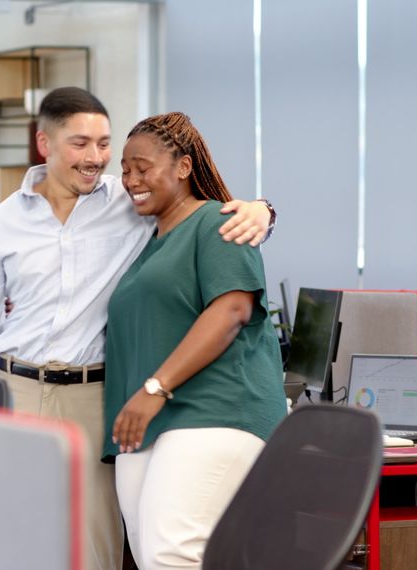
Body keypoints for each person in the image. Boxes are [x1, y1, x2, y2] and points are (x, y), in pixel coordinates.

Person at [0, 87, 274, 570]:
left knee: (99, 549)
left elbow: (209, 216)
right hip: (17, 388)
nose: (96, 158)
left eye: (103, 144)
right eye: (80, 143)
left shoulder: (132, 200)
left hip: (94, 395)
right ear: (45, 144)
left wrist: (261, 209)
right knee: (9, 539)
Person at [104, 112, 287, 569]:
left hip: (215, 413)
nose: (131, 180)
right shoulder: (148, 240)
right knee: (151, 557)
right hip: (147, 424)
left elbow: (231, 311)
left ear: (184, 167)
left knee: (172, 553)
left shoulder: (219, 223)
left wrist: (155, 388)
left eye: (142, 167)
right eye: (125, 169)